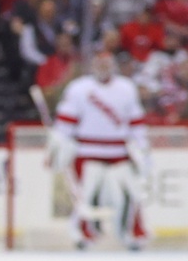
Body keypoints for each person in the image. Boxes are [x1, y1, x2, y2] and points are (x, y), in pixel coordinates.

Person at [51, 49, 150, 248]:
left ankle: (133, 232)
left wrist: (142, 146)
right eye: (99, 63)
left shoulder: (126, 88)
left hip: (118, 151)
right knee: (85, 195)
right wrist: (58, 145)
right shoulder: (78, 88)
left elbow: (136, 122)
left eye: (107, 63)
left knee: (132, 193)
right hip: (87, 151)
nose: (103, 67)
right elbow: (65, 123)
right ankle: (83, 233)